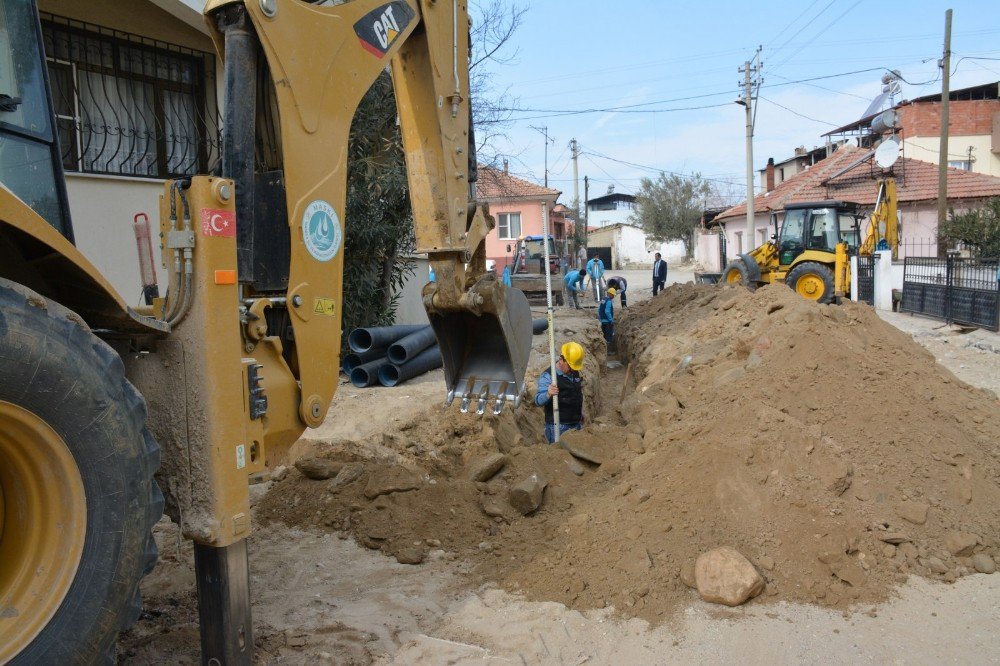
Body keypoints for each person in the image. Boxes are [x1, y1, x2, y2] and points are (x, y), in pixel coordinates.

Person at [534, 341, 586, 444]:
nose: (572, 370)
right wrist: (548, 394)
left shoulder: (573, 371)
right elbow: (537, 401)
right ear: (562, 360)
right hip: (558, 427)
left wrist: (580, 414)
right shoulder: (548, 376)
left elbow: (575, 394)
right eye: (571, 366)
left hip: (576, 423)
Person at [598, 286, 616, 351]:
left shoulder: (603, 299)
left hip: (602, 321)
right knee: (609, 336)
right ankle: (609, 351)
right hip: (608, 322)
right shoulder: (609, 301)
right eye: (613, 295)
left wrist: (599, 318)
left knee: (604, 335)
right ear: (610, 294)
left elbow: (599, 309)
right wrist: (611, 320)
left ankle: (604, 351)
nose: (614, 296)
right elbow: (607, 311)